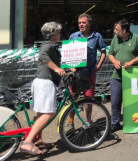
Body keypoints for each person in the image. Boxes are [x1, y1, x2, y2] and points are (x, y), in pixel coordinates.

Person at [20, 22, 66, 155]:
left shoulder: (50, 45)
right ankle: (28, 142)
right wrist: (57, 69)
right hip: (45, 83)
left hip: (42, 81)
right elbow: (43, 57)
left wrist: (62, 68)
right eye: (58, 32)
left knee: (41, 113)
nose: (60, 34)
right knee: (48, 113)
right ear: (52, 35)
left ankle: (38, 140)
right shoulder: (48, 45)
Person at [67, 14, 106, 130]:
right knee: (73, 98)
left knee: (88, 98)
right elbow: (68, 54)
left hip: (89, 73)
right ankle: (70, 122)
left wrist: (98, 66)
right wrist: (70, 67)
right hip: (75, 74)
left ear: (89, 23)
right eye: (79, 23)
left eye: (83, 23)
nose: (81, 25)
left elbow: (103, 52)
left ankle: (88, 121)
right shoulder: (73, 36)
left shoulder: (97, 36)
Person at [108, 19, 138, 132]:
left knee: (134, 101)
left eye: (117, 29)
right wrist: (114, 61)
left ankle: (136, 121)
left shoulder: (136, 38)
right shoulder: (115, 40)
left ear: (124, 30)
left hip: (133, 77)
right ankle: (115, 123)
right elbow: (110, 54)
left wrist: (131, 62)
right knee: (115, 101)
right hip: (117, 76)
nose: (114, 31)